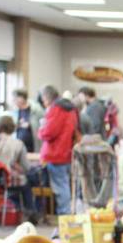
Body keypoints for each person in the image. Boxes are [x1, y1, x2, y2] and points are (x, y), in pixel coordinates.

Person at [0, 115, 37, 223]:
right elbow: (26, 167)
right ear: (12, 127)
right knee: (28, 181)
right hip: (9, 181)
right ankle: (30, 212)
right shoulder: (18, 144)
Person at [37, 84, 78, 215]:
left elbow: (49, 132)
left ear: (46, 98)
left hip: (55, 154)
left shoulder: (56, 109)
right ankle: (66, 215)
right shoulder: (71, 109)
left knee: (61, 188)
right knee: (65, 186)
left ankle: (64, 217)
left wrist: (41, 130)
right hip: (67, 153)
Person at [1, 88, 44, 153]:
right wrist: (18, 124)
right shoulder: (14, 111)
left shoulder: (36, 109)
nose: (13, 101)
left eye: (15, 98)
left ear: (21, 98)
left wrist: (30, 125)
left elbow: (44, 125)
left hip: (33, 145)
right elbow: (10, 127)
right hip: (17, 145)